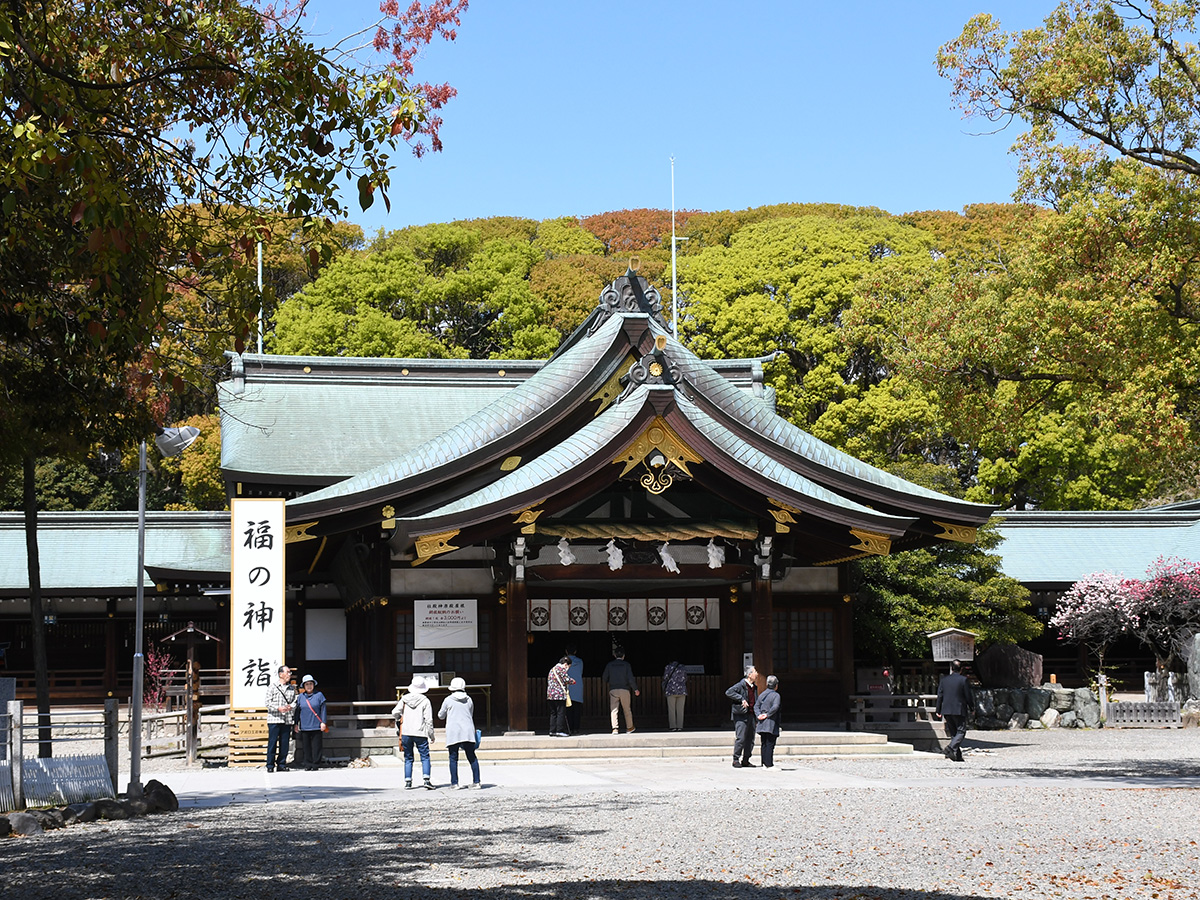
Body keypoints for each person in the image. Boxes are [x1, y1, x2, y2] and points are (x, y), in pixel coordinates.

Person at [392, 676, 436, 789]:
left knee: (408, 757)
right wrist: (431, 735)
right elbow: (429, 720)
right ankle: (426, 780)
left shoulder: (404, 699)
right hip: (420, 732)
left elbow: (395, 712)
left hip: (406, 731)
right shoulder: (425, 701)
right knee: (425, 756)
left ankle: (408, 781)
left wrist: (399, 718)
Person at [438, 676, 481, 789]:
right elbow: (470, 713)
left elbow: (441, 715)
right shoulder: (469, 699)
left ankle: (454, 783)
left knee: (453, 758)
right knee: (472, 757)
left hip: (454, 731)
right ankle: (476, 782)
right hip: (467, 731)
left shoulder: (448, 700)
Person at [935, 658, 975, 762]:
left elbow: (940, 695)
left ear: (952, 668)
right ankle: (950, 748)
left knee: (954, 733)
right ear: (961, 669)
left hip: (947, 709)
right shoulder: (963, 680)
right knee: (961, 731)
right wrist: (972, 707)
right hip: (959, 708)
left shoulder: (944, 680)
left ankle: (957, 756)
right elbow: (968, 696)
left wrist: (938, 710)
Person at [265, 665, 296, 772]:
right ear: (280, 674)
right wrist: (278, 708)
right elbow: (267, 703)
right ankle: (270, 765)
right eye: (287, 672)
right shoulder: (272, 686)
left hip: (287, 719)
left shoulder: (292, 688)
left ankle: (281, 764)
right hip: (274, 719)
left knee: (285, 744)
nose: (289, 675)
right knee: (272, 742)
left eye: (290, 673)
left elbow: (295, 701)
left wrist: (290, 707)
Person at [725, 665, 759, 767]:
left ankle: (746, 759)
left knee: (750, 738)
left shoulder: (755, 687)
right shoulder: (741, 685)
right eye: (755, 672)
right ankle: (736, 759)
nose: (757, 674)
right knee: (741, 738)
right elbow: (728, 692)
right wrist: (741, 698)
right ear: (749, 675)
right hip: (741, 715)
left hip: (751, 715)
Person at [601, 647, 639, 734]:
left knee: (614, 709)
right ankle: (630, 727)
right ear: (624, 656)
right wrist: (635, 689)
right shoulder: (626, 665)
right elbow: (630, 679)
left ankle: (615, 728)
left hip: (613, 689)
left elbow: (604, 677)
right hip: (625, 689)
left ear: (614, 655)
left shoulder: (609, 665)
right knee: (627, 709)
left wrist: (609, 681)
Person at [296, 674, 328, 771]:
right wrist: (296, 723)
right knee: (306, 746)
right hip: (305, 725)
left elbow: (323, 709)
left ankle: (316, 764)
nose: (309, 686)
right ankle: (307, 763)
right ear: (304, 686)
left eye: (311, 684)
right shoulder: (300, 697)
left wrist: (323, 722)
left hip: (316, 724)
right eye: (307, 684)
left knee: (316, 746)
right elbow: (297, 711)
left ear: (314, 685)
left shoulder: (319, 695)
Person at [754, 674, 781, 768]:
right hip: (771, 722)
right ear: (776, 685)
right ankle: (769, 764)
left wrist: (759, 715)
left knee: (764, 743)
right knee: (770, 743)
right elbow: (775, 707)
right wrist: (768, 714)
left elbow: (756, 706)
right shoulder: (776, 695)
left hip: (762, 722)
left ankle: (764, 763)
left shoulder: (762, 694)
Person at [547, 656, 575, 737]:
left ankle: (552, 730)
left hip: (550, 695)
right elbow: (567, 680)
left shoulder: (552, 669)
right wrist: (572, 681)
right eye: (568, 667)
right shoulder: (561, 669)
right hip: (559, 695)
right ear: (566, 664)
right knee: (561, 713)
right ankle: (559, 730)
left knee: (553, 713)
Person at [662, 658, 688, 731]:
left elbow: (665, 677)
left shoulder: (668, 667)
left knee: (671, 709)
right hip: (682, 690)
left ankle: (673, 726)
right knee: (680, 709)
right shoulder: (683, 667)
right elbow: (685, 678)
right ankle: (680, 726)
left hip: (671, 690)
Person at [565, 644, 584, 735]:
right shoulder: (580, 662)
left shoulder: (562, 662)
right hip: (578, 686)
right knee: (577, 710)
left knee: (568, 710)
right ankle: (576, 728)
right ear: (575, 651)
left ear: (566, 651)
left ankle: (569, 728)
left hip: (567, 687)